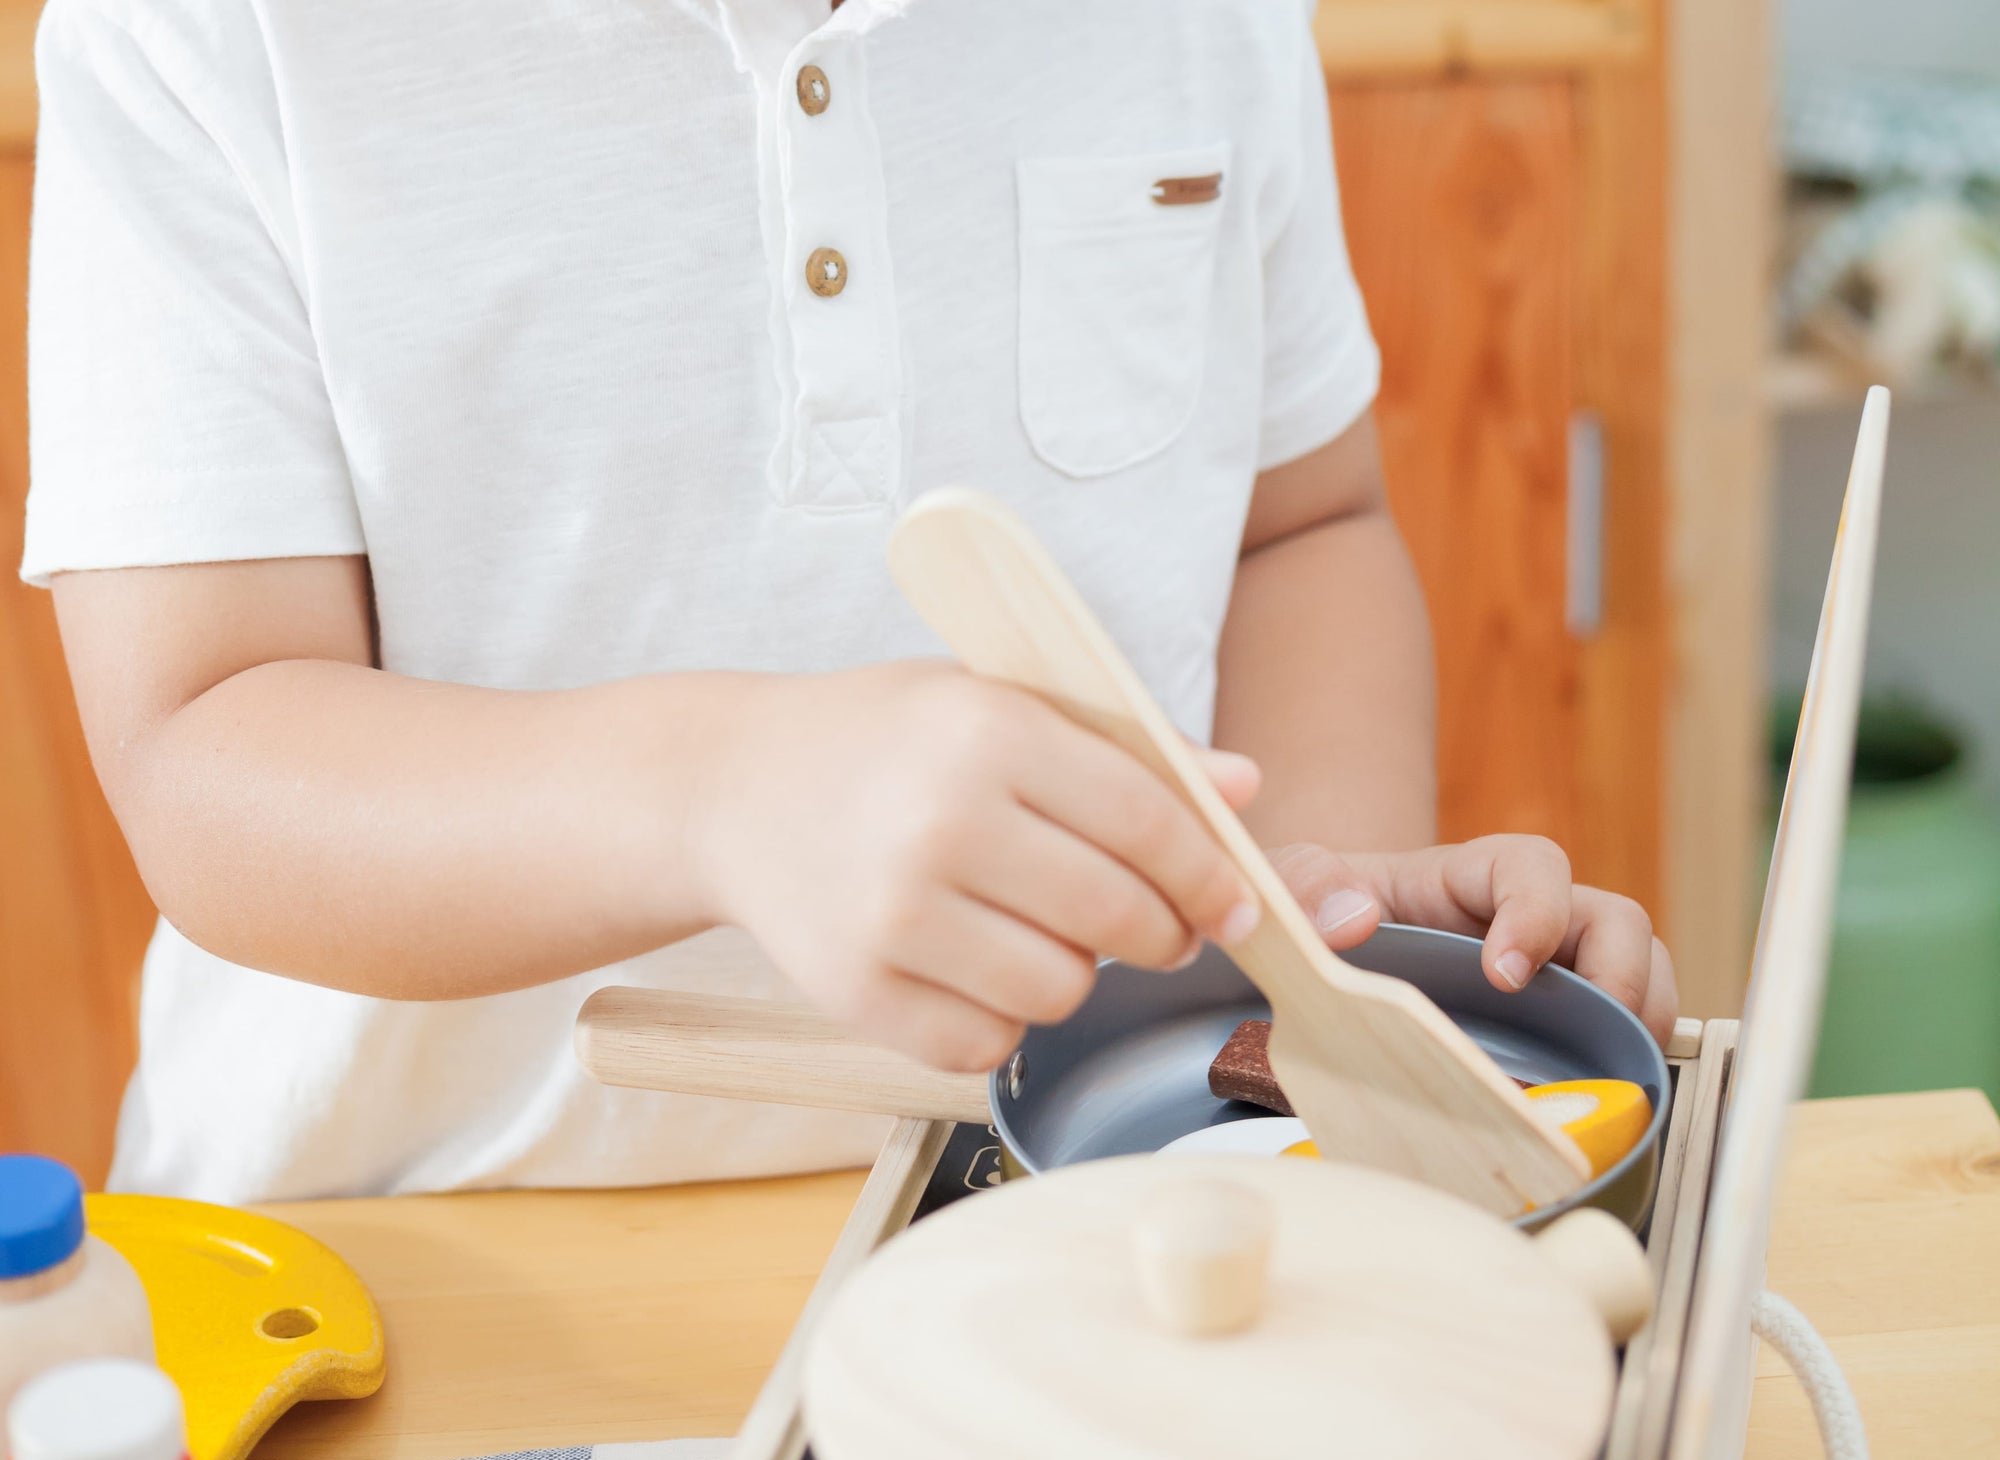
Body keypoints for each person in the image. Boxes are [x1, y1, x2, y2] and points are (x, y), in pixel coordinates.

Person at [21, 0, 1676, 1205]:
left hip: (1078, 1201)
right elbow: (204, 743)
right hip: (407, 1254)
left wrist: (1307, 942)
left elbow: (1300, 529)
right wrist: (714, 788)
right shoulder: (213, 35)